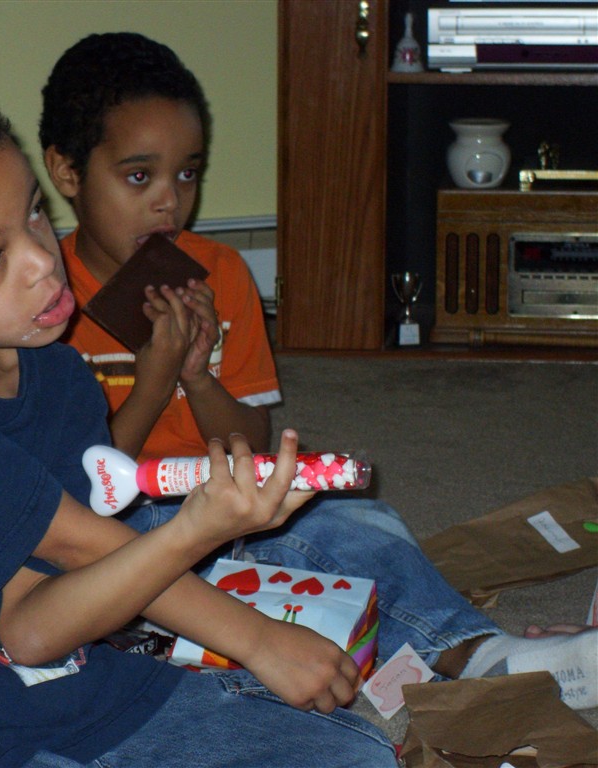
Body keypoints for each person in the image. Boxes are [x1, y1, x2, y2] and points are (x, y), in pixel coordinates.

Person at [0, 68, 407, 768]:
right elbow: (66, 575)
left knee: (361, 757)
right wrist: (253, 630)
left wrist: (206, 530)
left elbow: (40, 617)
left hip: (68, 689)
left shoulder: (55, 371)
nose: (44, 261)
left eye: (35, 214)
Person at [39, 31, 596, 711]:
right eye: (138, 176)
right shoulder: (43, 305)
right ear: (67, 172)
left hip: (227, 501)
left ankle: (482, 654)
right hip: (122, 531)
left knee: (352, 522)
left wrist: (197, 375)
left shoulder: (220, 274)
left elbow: (250, 439)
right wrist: (152, 383)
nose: (168, 202)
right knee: (106, 585)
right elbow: (76, 494)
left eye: (187, 174)